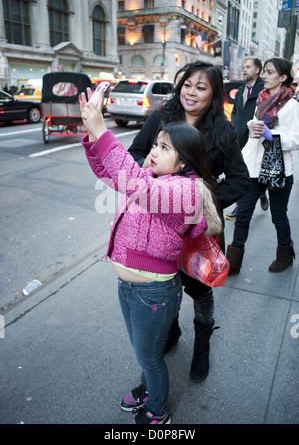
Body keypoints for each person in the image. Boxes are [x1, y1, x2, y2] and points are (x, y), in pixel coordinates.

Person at [80, 87, 222, 424]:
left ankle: (158, 413)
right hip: (129, 288)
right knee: (146, 355)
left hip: (154, 293)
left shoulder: (186, 192)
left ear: (184, 159)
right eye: (155, 144)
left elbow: (133, 184)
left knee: (151, 358)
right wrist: (91, 132)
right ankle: (149, 389)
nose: (153, 152)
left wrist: (102, 130)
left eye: (163, 147)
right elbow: (108, 171)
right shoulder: (151, 178)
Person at [127, 61, 251, 383]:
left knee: (200, 288)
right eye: (188, 84)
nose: (192, 92)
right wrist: (156, 176)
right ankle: (171, 331)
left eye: (201, 87)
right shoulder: (161, 118)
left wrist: (202, 200)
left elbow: (241, 180)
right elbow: (135, 153)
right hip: (158, 223)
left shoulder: (224, 131)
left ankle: (202, 344)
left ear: (214, 95)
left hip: (200, 229)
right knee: (164, 285)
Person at [226, 57, 299, 275]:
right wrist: (253, 129)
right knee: (244, 214)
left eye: (269, 72)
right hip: (254, 168)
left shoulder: (293, 105)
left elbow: (295, 139)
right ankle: (234, 261)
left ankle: (285, 254)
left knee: (278, 215)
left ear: (283, 77)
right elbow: (254, 137)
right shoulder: (262, 100)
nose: (264, 76)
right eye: (264, 72)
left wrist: (271, 135)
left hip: (280, 169)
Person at [226, 56, 268, 220]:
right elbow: (236, 112)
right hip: (239, 137)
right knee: (241, 174)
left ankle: (261, 193)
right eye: (244, 67)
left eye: (248, 67)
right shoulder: (240, 90)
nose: (244, 69)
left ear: (257, 70)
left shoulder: (264, 90)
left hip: (256, 138)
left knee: (253, 173)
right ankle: (241, 206)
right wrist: (233, 126)